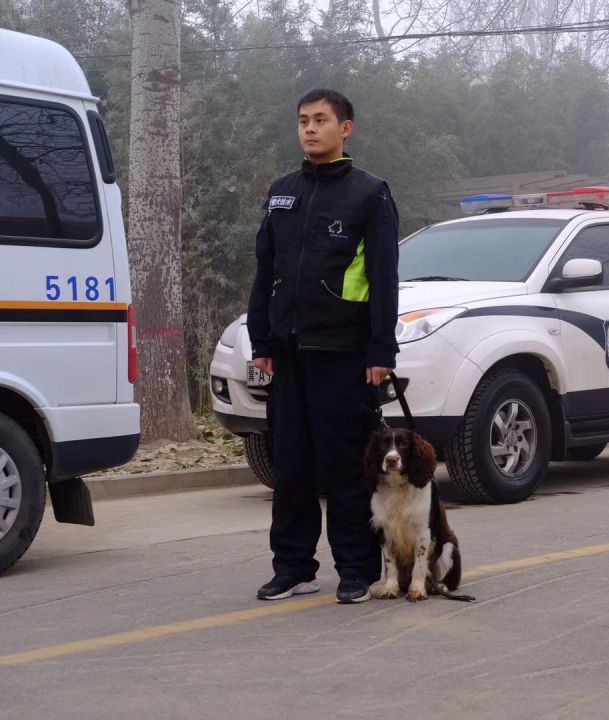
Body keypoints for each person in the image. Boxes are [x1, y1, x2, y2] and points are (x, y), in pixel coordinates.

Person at [247, 88, 399, 604]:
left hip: (343, 354)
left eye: (320, 120)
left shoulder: (369, 193)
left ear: (345, 128)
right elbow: (264, 269)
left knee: (343, 467)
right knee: (291, 466)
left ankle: (356, 569)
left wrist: (382, 352)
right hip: (288, 355)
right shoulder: (282, 192)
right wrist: (260, 339)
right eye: (303, 121)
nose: (309, 129)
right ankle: (293, 567)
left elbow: (384, 278)